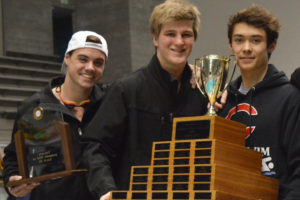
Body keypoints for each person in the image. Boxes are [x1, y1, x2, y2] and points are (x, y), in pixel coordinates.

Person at [82, 0, 208, 199]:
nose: (179, 42)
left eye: (186, 35)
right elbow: (95, 147)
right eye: (170, 34)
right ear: (155, 39)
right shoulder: (126, 89)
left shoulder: (201, 91)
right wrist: (106, 189)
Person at [3, 30, 108, 200]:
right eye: (83, 59)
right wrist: (13, 180)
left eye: (98, 62)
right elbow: (13, 156)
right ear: (67, 58)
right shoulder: (33, 106)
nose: (90, 67)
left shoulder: (109, 104)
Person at [217, 5, 300, 200]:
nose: (246, 48)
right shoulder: (222, 102)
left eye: (256, 40)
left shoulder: (291, 98)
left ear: (272, 45)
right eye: (239, 40)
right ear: (230, 45)